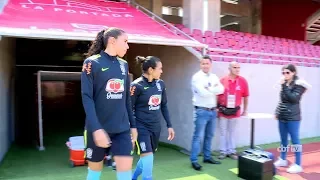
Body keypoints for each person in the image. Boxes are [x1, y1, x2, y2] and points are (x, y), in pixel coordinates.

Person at [81, 27, 138, 180]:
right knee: (94, 174)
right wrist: (97, 129)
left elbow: (126, 98)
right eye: (125, 41)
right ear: (112, 41)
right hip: (97, 129)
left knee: (125, 174)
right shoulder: (91, 63)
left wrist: (132, 126)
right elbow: (87, 98)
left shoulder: (123, 65)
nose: (127, 46)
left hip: (122, 130)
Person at [130, 56, 175, 180]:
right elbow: (128, 108)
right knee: (148, 161)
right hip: (141, 128)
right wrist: (131, 128)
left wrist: (169, 125)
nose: (162, 71)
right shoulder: (136, 86)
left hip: (155, 127)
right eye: (160, 68)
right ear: (150, 70)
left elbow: (164, 105)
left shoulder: (161, 84)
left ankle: (132, 177)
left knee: (146, 160)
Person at [190, 55, 224, 171]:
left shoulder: (214, 76)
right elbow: (202, 93)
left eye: (207, 63)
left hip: (212, 111)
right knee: (197, 136)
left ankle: (207, 157)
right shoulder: (196, 77)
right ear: (200, 64)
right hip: (201, 111)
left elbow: (222, 89)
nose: (205, 65)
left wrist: (209, 89)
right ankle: (194, 160)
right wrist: (213, 90)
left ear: (211, 64)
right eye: (203, 63)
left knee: (209, 136)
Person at [274, 64, 310, 174]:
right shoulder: (284, 84)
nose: (285, 75)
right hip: (282, 116)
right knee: (283, 140)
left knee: (295, 141)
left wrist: (284, 87)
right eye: (283, 73)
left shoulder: (300, 85)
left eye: (287, 72)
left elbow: (293, 99)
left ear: (293, 72)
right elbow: (282, 100)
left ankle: (298, 164)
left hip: (293, 117)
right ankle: (283, 159)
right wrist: (277, 111)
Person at [217, 61, 249, 160]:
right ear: (229, 68)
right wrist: (217, 107)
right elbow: (217, 95)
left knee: (232, 132)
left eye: (238, 67)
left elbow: (246, 96)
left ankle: (231, 151)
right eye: (235, 67)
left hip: (235, 111)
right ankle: (223, 151)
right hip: (223, 111)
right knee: (223, 132)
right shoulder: (222, 80)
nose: (237, 69)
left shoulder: (243, 81)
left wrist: (245, 109)